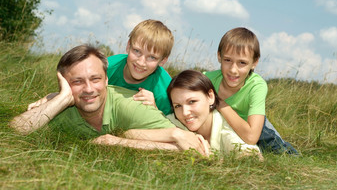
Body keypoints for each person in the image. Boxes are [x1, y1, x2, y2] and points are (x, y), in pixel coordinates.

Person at [10, 45, 209, 155]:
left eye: (95, 79)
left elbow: (192, 149)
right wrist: (61, 99)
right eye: (77, 82)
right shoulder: (62, 110)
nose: (89, 89)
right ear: (64, 83)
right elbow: (15, 131)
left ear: (106, 79)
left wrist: (115, 142)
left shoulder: (131, 105)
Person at [28, 19, 174, 115]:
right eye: (137, 51)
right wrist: (50, 98)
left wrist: (155, 109)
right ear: (128, 46)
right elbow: (80, 90)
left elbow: (172, 124)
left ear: (162, 61)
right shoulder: (109, 66)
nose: (141, 62)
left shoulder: (164, 88)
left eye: (152, 57)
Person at [204, 27, 298, 154]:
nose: (233, 69)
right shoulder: (206, 80)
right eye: (227, 60)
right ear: (219, 56)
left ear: (254, 62)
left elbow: (252, 137)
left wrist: (220, 104)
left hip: (256, 127)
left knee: (281, 153)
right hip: (226, 127)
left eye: (242, 63)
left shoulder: (257, 86)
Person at [166, 69, 262, 158]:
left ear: (210, 97)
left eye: (192, 102)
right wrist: (175, 137)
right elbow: (150, 138)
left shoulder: (226, 131)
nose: (185, 113)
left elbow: (253, 157)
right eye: (178, 106)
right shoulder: (173, 121)